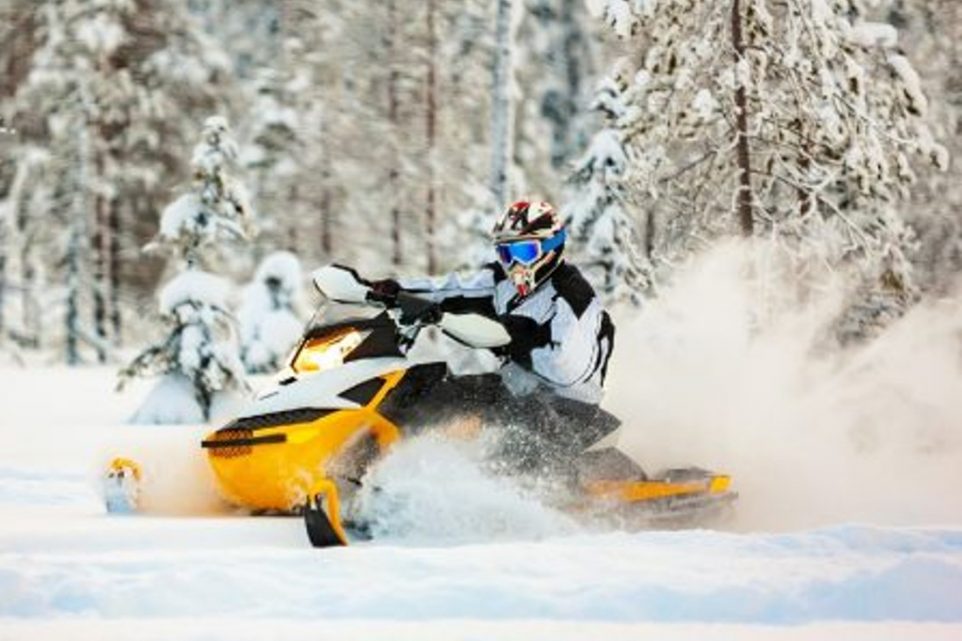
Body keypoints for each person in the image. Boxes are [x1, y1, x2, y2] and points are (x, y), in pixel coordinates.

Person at [371, 200, 618, 468]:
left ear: (550, 248)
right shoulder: (502, 281)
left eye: (523, 251)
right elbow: (452, 289)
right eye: (505, 253)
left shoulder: (575, 297)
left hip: (566, 413)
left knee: (512, 429)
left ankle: (490, 489)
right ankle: (370, 459)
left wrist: (515, 335)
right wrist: (396, 291)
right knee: (427, 387)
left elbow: (565, 370)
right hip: (514, 390)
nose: (513, 264)